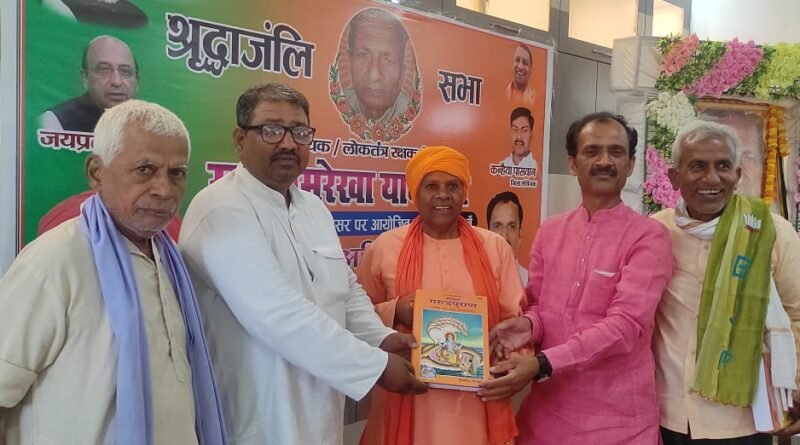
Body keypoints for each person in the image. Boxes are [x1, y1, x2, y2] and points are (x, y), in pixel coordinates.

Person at [178, 82, 426, 444]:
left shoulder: (313, 207)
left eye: (300, 132)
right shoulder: (219, 208)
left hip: (320, 409)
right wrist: (374, 366)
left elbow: (345, 289)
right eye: (272, 130)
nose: (289, 144)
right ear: (240, 139)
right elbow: (277, 312)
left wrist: (381, 337)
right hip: (258, 413)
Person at [0, 99, 226, 444]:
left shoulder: (174, 261)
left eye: (176, 173)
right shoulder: (53, 262)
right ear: (96, 173)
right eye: (145, 170)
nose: (164, 190)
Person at [480, 112, 674, 444]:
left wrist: (543, 363)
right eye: (592, 151)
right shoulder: (551, 231)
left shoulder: (649, 237)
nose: (604, 161)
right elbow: (539, 305)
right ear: (572, 163)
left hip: (619, 426)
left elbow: (626, 326)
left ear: (630, 164)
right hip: (545, 421)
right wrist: (528, 325)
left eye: (616, 152)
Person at [356, 145, 524, 445]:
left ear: (464, 193)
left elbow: (514, 320)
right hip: (408, 394)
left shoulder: (495, 248)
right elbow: (356, 315)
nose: (443, 195)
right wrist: (395, 310)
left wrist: (510, 361)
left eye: (453, 186)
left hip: (476, 402)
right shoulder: (385, 247)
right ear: (415, 193)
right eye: (431, 186)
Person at [653, 119, 800, 444]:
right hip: (669, 415)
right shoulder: (655, 233)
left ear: (737, 175)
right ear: (674, 177)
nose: (712, 178)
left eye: (723, 166)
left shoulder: (770, 232)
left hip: (745, 418)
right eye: (697, 166)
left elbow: (797, 313)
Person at [40, 35, 138, 132]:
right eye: (104, 70)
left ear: (136, 82)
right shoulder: (53, 123)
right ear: (85, 77)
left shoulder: (144, 123)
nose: (116, 81)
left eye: (125, 72)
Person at [343, 8, 413, 123]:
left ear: (402, 74)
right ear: (350, 62)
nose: (374, 75)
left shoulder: (413, 114)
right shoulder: (336, 103)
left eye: (387, 60)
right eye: (363, 55)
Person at [486, 191, 527, 283]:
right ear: (487, 233)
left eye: (511, 226)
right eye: (497, 226)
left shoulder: (530, 283)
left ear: (520, 234)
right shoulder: (474, 278)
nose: (504, 236)